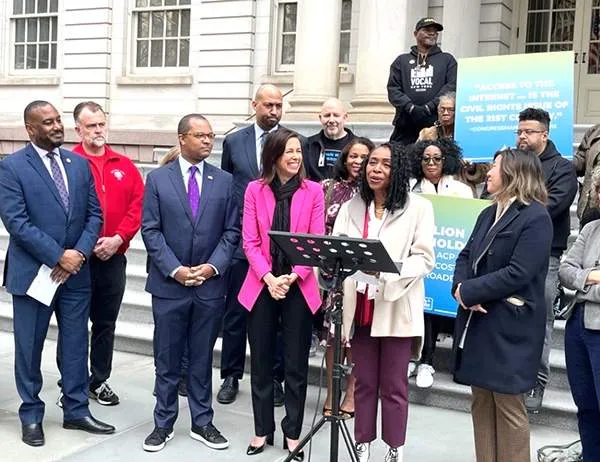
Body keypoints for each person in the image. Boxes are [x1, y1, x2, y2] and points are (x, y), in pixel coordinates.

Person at [0, 100, 114, 446]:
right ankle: (31, 414)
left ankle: (77, 410)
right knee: (29, 345)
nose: (57, 127)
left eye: (58, 120)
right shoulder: (13, 167)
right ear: (30, 129)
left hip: (76, 273)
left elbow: (95, 213)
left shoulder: (78, 165)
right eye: (47, 122)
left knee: (76, 343)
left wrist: (78, 253)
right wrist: (56, 256)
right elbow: (16, 222)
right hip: (35, 273)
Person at [141, 114, 239, 452]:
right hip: (169, 286)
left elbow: (231, 232)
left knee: (201, 358)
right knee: (167, 360)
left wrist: (212, 268)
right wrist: (175, 269)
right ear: (182, 138)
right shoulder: (157, 179)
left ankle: (202, 422)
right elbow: (150, 231)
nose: (208, 142)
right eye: (201, 136)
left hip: (210, 287)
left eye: (211, 136)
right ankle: (163, 423)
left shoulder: (224, 181)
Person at [333, 142, 435, 462]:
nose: (376, 169)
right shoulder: (352, 205)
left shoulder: (418, 208)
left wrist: (389, 269)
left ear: (398, 170)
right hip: (361, 303)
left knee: (393, 386)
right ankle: (362, 443)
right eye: (371, 163)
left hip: (395, 305)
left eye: (385, 164)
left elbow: (424, 259)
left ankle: (394, 448)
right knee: (363, 382)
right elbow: (337, 246)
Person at [452, 148, 552, 462]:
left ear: (513, 172)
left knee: (509, 407)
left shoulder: (536, 216)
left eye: (494, 167)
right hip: (480, 322)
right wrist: (460, 288)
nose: (489, 172)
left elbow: (519, 272)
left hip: (510, 326)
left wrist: (472, 292)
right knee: (481, 401)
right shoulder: (487, 212)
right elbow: (466, 255)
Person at [238, 128, 324, 460]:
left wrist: (290, 277)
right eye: (288, 151)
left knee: (295, 364)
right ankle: (262, 430)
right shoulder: (254, 190)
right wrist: (269, 277)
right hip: (261, 284)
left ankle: (292, 433)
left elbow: (314, 241)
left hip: (298, 286)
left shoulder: (313, 191)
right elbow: (250, 241)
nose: (294, 157)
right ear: (273, 155)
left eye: (298, 151)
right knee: (260, 362)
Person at [68, 101, 144, 406]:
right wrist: (83, 247)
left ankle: (98, 380)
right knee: (73, 323)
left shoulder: (124, 166)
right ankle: (71, 383)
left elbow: (137, 208)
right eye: (91, 126)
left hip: (113, 258)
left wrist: (118, 238)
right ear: (78, 129)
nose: (98, 130)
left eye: (101, 124)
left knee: (105, 323)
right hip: (77, 261)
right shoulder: (69, 162)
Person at [218, 84, 287, 407]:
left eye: (278, 106)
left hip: (277, 245)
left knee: (275, 317)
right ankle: (231, 374)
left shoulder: (289, 143)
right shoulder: (234, 141)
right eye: (268, 105)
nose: (273, 111)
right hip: (242, 243)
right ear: (255, 105)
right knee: (235, 312)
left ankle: (274, 378)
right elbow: (227, 187)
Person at [514, 108, 578, 414]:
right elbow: (494, 194)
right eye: (520, 131)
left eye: (529, 131)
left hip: (546, 255)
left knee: (541, 318)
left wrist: (516, 207)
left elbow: (550, 206)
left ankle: (537, 383)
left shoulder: (563, 169)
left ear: (545, 134)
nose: (522, 136)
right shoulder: (511, 162)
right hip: (511, 251)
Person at [407, 138, 474, 389]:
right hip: (419, 259)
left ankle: (429, 362)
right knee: (422, 307)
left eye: (437, 158)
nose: (431, 163)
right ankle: (418, 359)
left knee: (439, 307)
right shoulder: (410, 189)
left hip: (449, 260)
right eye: (426, 159)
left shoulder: (462, 190)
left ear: (447, 159)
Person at [320, 137, 375, 418]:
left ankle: (352, 394)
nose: (358, 161)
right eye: (353, 156)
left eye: (365, 157)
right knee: (333, 338)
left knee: (354, 340)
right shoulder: (328, 188)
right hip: (332, 277)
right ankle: (331, 392)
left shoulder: (376, 192)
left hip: (362, 277)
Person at [558, 164, 600, 460]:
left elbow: (576, 275)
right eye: (599, 189)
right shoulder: (590, 228)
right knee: (586, 406)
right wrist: (592, 277)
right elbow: (564, 270)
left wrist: (584, 280)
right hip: (578, 328)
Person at [387, 17, 457, 146]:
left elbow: (452, 86)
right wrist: (411, 107)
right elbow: (393, 90)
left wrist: (429, 107)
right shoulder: (401, 61)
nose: (432, 33)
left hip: (436, 127)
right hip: (405, 125)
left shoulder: (447, 60)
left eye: (435, 31)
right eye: (427, 30)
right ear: (415, 34)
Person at [305, 98, 357, 181]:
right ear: (320, 118)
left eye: (336, 115)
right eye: (327, 115)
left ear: (345, 117)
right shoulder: (308, 144)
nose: (331, 120)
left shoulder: (357, 146)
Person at [572, 123, 600, 228]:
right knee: (587, 241)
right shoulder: (595, 131)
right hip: (592, 205)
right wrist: (561, 163)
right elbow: (580, 162)